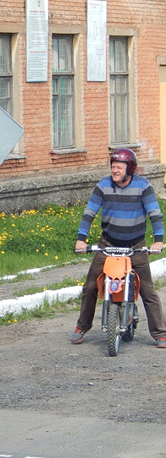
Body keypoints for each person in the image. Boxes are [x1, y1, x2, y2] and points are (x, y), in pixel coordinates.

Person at [70, 148, 166, 347]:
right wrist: (81, 239)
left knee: (148, 290)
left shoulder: (143, 186)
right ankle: (81, 327)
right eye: (113, 167)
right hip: (108, 244)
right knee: (90, 287)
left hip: (135, 246)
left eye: (119, 167)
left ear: (129, 169)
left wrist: (158, 240)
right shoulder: (103, 185)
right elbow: (89, 214)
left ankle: (160, 334)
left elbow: (155, 215)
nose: (115, 170)